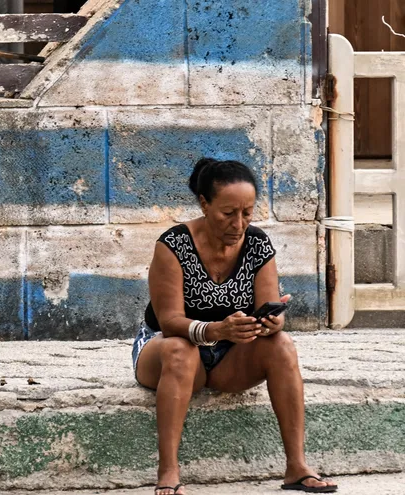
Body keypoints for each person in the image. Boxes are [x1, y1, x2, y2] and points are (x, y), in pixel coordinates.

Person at [131, 158, 337, 495]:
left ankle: (296, 467)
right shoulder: (173, 246)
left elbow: (269, 311)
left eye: (247, 212)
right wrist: (215, 331)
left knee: (282, 344)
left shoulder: (257, 246)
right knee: (180, 349)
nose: (238, 223)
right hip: (167, 350)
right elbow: (169, 323)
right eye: (228, 213)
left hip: (229, 357)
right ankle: (168, 471)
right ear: (204, 204)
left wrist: (271, 322)